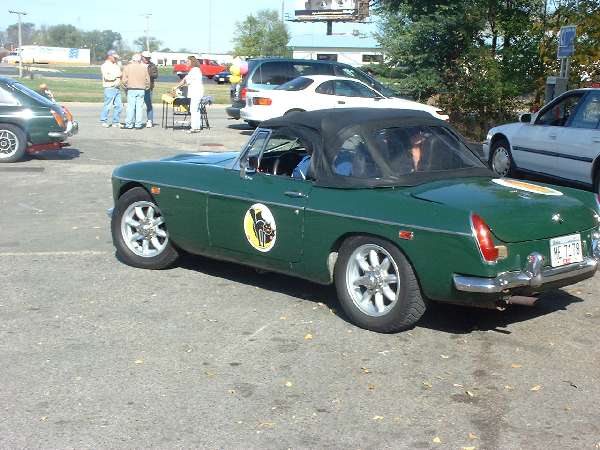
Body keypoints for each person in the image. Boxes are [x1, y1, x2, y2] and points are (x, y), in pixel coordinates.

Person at [174, 56, 204, 133]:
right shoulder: (195, 70)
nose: (186, 63)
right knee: (196, 110)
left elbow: (185, 80)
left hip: (196, 93)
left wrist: (176, 87)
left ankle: (194, 128)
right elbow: (186, 79)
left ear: (192, 62)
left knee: (193, 110)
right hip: (197, 92)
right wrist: (178, 86)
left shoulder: (194, 70)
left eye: (187, 61)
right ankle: (197, 127)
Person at [121, 53, 150, 130]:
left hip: (131, 89)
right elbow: (147, 80)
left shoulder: (127, 67)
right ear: (139, 60)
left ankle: (129, 124)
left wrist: (125, 87)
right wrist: (146, 87)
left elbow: (123, 80)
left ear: (133, 60)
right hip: (141, 90)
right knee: (139, 108)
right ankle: (138, 124)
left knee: (131, 107)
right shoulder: (144, 68)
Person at [100, 50, 123, 128]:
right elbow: (107, 77)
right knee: (107, 106)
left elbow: (121, 74)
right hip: (109, 88)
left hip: (117, 88)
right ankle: (104, 121)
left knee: (119, 106)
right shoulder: (105, 66)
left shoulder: (116, 65)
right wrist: (117, 75)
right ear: (109, 56)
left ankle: (115, 121)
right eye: (114, 57)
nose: (116, 59)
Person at [141, 50, 158, 128]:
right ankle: (136, 120)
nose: (147, 59)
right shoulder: (138, 64)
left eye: (148, 58)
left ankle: (149, 120)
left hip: (149, 87)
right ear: (142, 57)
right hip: (139, 87)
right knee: (138, 105)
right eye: (146, 57)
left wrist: (148, 73)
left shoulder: (152, 65)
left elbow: (155, 75)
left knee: (149, 104)